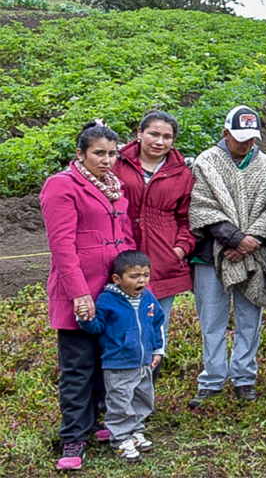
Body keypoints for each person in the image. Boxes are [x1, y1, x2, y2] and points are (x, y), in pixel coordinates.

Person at [42, 121, 136, 472]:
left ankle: (96, 422)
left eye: (112, 153)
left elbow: (124, 238)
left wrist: (132, 281)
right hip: (79, 290)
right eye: (99, 153)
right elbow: (62, 246)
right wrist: (80, 294)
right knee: (78, 366)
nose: (107, 160)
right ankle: (73, 436)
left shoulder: (115, 187)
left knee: (104, 361)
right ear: (80, 154)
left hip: (111, 292)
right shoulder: (61, 186)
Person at [187, 106, 266, 408]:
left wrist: (251, 242)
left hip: (254, 251)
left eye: (251, 139)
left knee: (249, 317)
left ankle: (244, 377)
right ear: (225, 134)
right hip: (212, 252)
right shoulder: (206, 162)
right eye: (240, 139)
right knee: (211, 318)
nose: (246, 144)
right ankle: (212, 378)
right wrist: (235, 239)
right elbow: (201, 206)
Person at [111, 111, 194, 361]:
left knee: (156, 325)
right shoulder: (117, 164)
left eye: (167, 137)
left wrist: (178, 250)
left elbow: (187, 218)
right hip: (120, 254)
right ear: (139, 133)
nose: (160, 142)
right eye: (154, 134)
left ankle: (148, 385)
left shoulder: (182, 174)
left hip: (162, 260)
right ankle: (119, 385)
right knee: (119, 323)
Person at [77, 250, 165, 464]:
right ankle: (120, 439)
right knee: (120, 402)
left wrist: (158, 349)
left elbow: (157, 324)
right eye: (134, 276)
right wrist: (84, 319)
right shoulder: (107, 300)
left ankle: (136, 431)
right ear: (117, 279)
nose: (141, 280)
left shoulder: (148, 298)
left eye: (145, 275)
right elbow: (97, 327)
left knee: (143, 398)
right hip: (118, 364)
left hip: (144, 362)